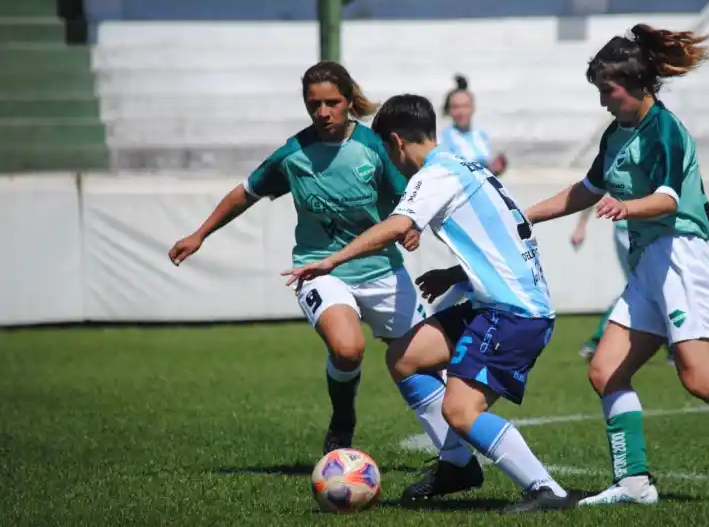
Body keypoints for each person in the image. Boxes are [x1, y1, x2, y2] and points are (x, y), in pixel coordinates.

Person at [525, 24, 709, 505]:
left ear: (638, 85)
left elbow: (665, 199)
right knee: (604, 370)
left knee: (699, 378)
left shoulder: (665, 129)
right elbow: (588, 188)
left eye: (609, 92)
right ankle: (634, 484)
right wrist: (527, 216)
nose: (604, 102)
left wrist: (628, 207)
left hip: (681, 256)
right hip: (648, 264)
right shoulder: (616, 133)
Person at [167, 62, 478, 479]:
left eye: (332, 102)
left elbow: (412, 199)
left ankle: (456, 462)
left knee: (421, 362)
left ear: (349, 100)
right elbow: (246, 193)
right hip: (321, 270)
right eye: (314, 104)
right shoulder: (293, 154)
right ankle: (343, 418)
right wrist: (200, 233)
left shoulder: (374, 146)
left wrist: (413, 229)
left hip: (383, 268)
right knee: (347, 348)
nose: (323, 112)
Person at [284, 94, 572, 514]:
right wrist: (456, 275)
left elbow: (397, 225)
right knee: (404, 357)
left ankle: (547, 490)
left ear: (396, 142)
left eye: (386, 148)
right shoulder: (465, 166)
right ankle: (457, 466)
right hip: (496, 303)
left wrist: (332, 260)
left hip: (514, 314)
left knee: (460, 410)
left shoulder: (434, 175)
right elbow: (509, 233)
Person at [571, 204, 709, 363]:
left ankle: (599, 341)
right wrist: (581, 226)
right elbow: (593, 188)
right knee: (655, 287)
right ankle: (674, 347)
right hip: (634, 230)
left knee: (651, 288)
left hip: (647, 228)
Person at [439, 74, 508, 175]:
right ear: (449, 110)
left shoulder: (481, 136)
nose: (461, 112)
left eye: (465, 106)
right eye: (456, 107)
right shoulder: (443, 139)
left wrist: (496, 169)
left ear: (473, 107)